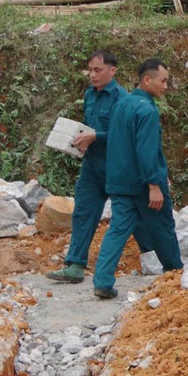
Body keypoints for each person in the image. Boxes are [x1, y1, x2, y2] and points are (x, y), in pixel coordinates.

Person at [91, 59, 183, 299]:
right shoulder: (147, 109)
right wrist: (154, 184)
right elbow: (146, 149)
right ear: (147, 80)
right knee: (162, 227)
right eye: (163, 81)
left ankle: (102, 280)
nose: (166, 86)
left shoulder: (122, 104)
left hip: (120, 181)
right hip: (143, 183)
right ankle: (175, 274)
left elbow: (119, 143)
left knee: (118, 229)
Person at [48, 51, 128, 284]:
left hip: (116, 166)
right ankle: (75, 265)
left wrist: (96, 136)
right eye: (89, 70)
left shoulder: (122, 99)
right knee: (83, 212)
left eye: (97, 70)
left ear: (112, 71)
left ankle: (155, 257)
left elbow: (124, 134)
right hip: (92, 165)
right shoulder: (89, 95)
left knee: (129, 216)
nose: (92, 75)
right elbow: (89, 127)